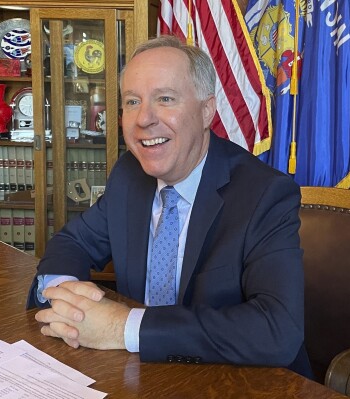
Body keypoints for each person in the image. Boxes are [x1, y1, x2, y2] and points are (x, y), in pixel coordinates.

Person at [27, 35, 312, 377]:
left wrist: (123, 327)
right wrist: (63, 293)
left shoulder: (265, 194)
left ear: (207, 110)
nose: (144, 119)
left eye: (165, 99)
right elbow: (73, 242)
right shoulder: (130, 175)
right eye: (132, 102)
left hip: (237, 380)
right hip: (140, 373)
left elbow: (277, 330)